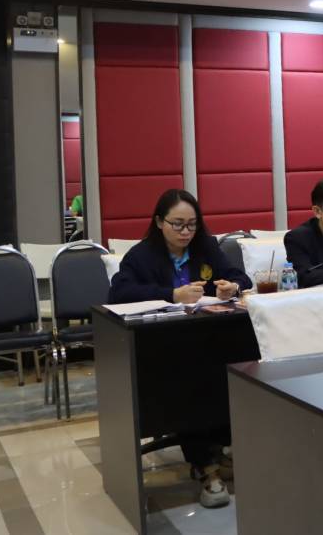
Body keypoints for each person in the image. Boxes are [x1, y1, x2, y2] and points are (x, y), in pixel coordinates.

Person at [108, 188, 250, 509]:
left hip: (208, 339)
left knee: (233, 369)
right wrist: (171, 295)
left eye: (192, 224)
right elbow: (120, 293)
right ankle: (206, 466)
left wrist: (233, 286)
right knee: (189, 381)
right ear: (160, 222)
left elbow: (239, 277)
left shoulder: (206, 247)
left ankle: (221, 447)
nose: (186, 232)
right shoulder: (141, 256)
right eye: (178, 224)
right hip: (161, 348)